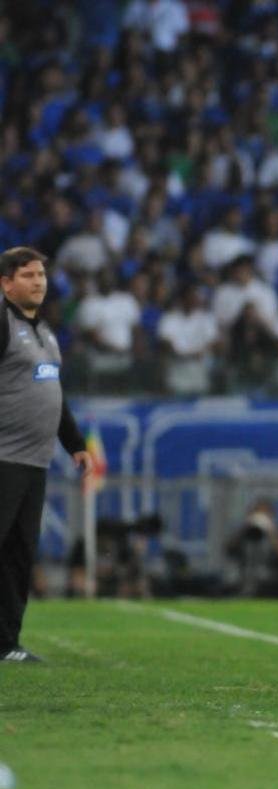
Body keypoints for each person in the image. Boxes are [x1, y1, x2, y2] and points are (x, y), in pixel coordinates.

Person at [0, 247, 94, 663]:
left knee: (19, 555)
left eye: (41, 275)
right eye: (27, 275)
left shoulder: (45, 331)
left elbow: (54, 395)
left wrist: (75, 445)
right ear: (6, 283)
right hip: (3, 458)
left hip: (34, 462)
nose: (38, 281)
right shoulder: (2, 323)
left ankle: (6, 644)